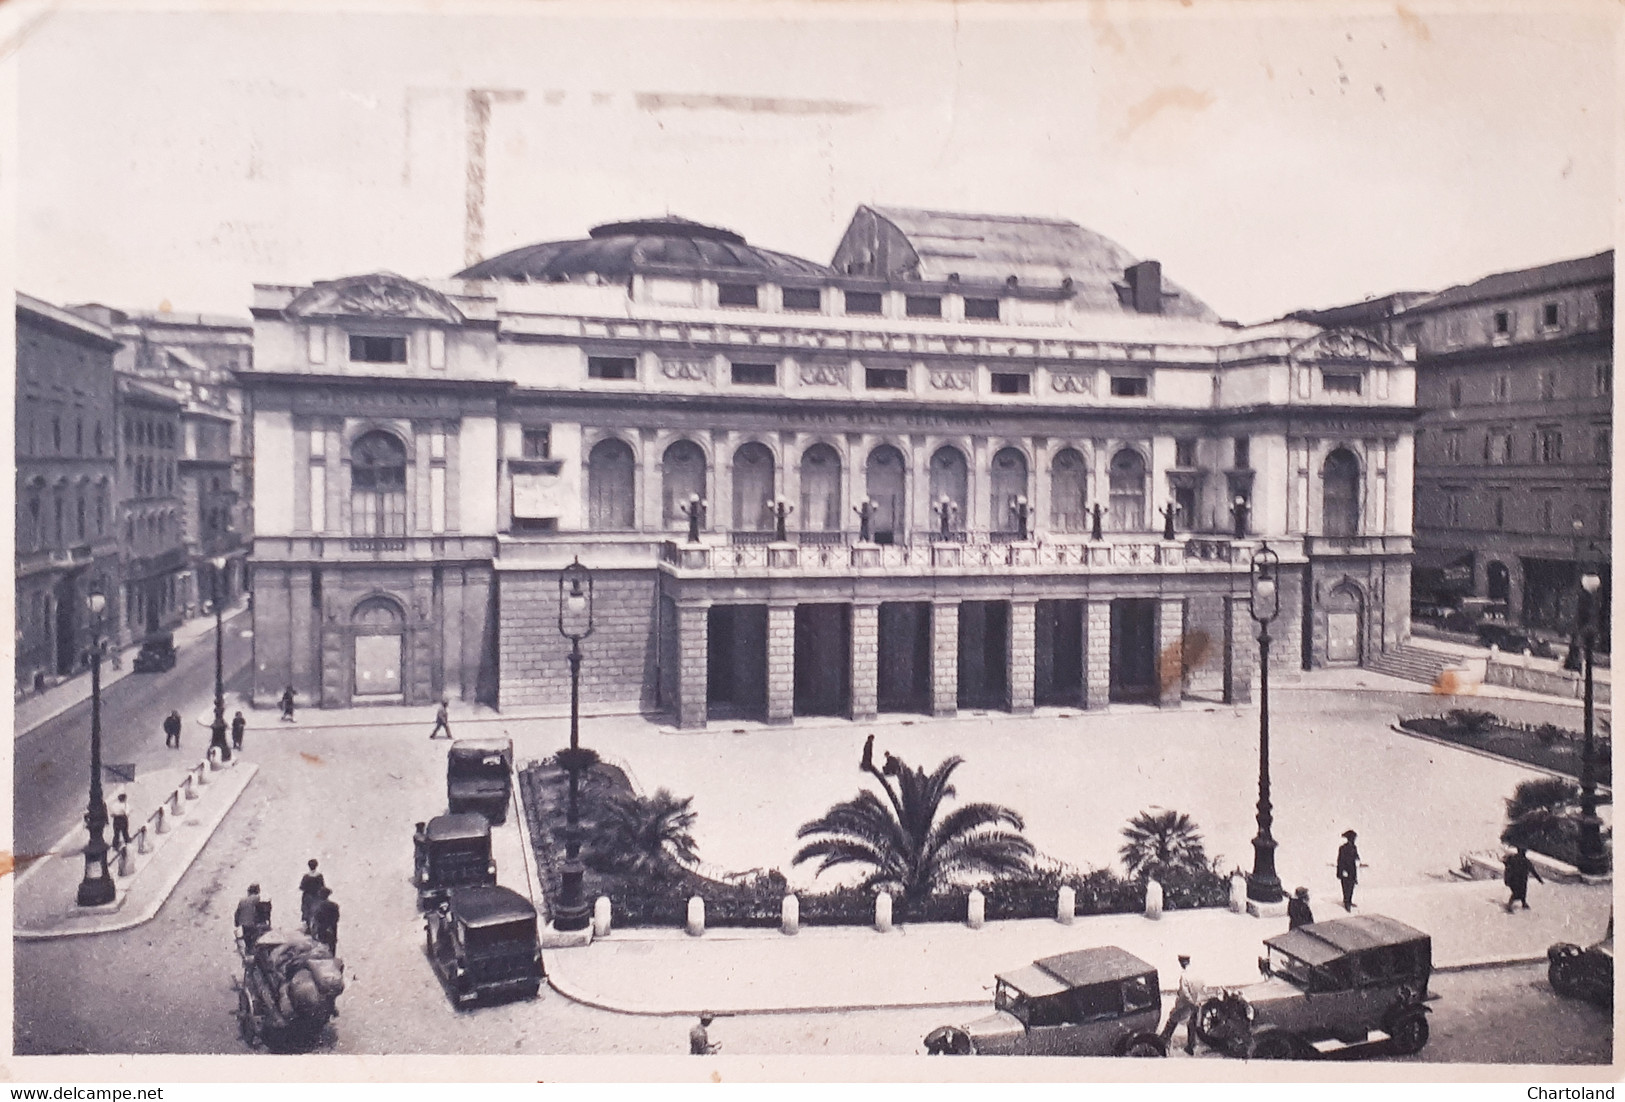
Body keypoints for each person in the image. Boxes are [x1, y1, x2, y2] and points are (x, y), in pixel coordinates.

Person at [1158, 955, 1203, 1056]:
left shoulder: (1184, 975)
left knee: (1172, 1020)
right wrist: (1197, 1001)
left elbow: (1184, 993)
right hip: (1196, 1003)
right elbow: (1202, 987)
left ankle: (1163, 1041)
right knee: (1192, 1025)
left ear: (1182, 962)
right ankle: (1191, 1047)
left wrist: (1190, 1001)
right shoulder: (1196, 973)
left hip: (1185, 1004)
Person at [1503, 846, 1544, 912]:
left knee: (1521, 892)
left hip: (1516, 879)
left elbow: (1507, 865)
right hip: (1519, 880)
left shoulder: (1513, 858)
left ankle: (1522, 903)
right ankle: (1510, 905)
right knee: (1518, 893)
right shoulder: (1525, 861)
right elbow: (1533, 871)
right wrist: (1539, 880)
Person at [235, 883, 267, 952]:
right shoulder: (257, 897)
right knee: (255, 938)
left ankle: (248, 949)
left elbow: (237, 913)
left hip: (244, 923)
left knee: (247, 938)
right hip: (253, 923)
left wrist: (237, 923)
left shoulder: (242, 900)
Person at [1336, 829, 1361, 911]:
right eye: (1353, 838)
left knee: (1351, 886)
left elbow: (1356, 857)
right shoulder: (1343, 848)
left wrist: (1358, 860)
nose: (1354, 840)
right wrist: (1341, 871)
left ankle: (1349, 901)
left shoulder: (1354, 847)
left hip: (1352, 870)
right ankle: (1346, 902)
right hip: (1345, 870)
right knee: (1346, 886)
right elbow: (1340, 860)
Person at [299, 859, 326, 932]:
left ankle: (308, 927)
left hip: (307, 896)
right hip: (316, 896)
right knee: (316, 910)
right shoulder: (319, 876)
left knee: (307, 911)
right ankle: (315, 927)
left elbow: (301, 887)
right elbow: (322, 886)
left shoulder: (306, 876)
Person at [311, 887, 340, 953]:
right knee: (331, 950)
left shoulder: (318, 907)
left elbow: (316, 920)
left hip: (321, 930)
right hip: (332, 930)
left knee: (321, 949)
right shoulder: (334, 906)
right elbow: (336, 919)